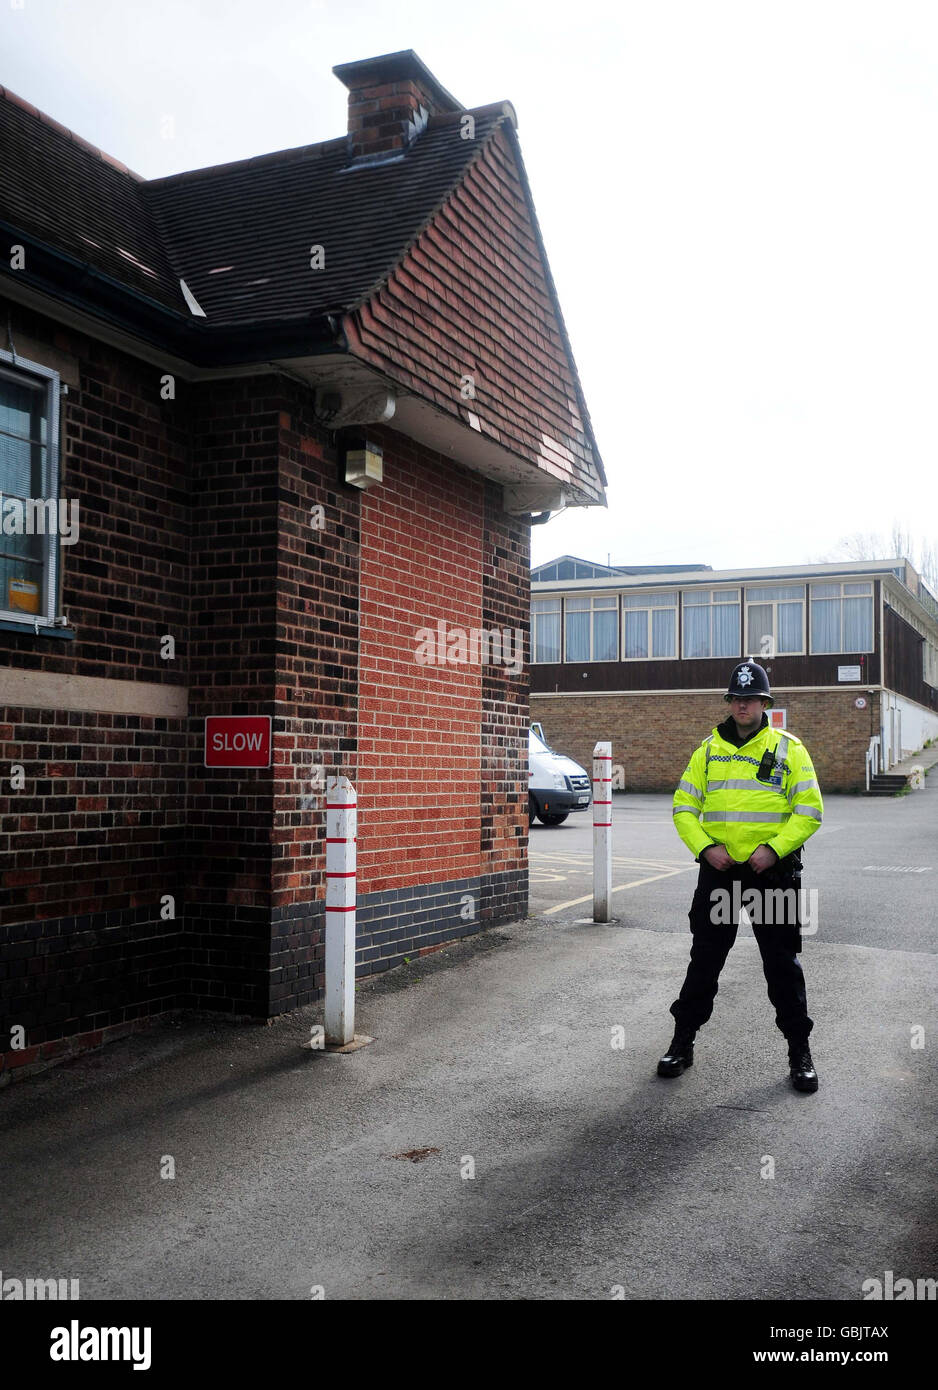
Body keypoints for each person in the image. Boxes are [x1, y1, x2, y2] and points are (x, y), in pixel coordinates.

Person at [659, 660, 824, 1092]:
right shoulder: (707, 751)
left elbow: (810, 811)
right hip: (721, 875)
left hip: (774, 875)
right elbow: (683, 807)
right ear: (729, 702)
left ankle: (799, 1051)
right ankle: (682, 1042)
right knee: (705, 961)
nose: (743, 704)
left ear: (765, 703)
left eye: (751, 698)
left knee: (782, 966)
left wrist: (774, 849)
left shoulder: (790, 749)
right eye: (736, 698)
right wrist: (704, 848)